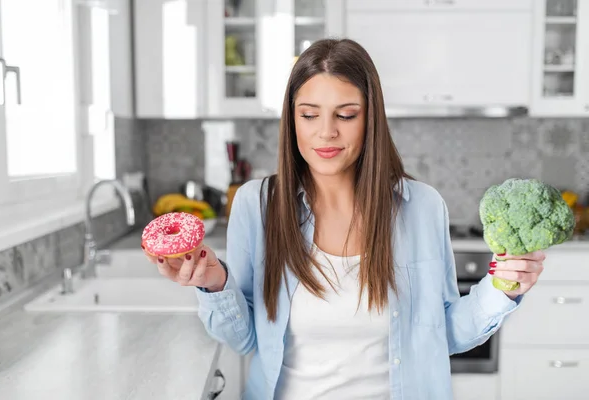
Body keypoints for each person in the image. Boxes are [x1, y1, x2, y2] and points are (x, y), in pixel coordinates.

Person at [143, 38, 545, 399]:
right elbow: (246, 339)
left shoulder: (421, 206)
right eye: (309, 114)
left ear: (371, 118)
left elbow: (444, 334)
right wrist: (214, 283)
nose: (326, 133)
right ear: (292, 119)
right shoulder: (257, 205)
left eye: (346, 115)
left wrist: (502, 288)